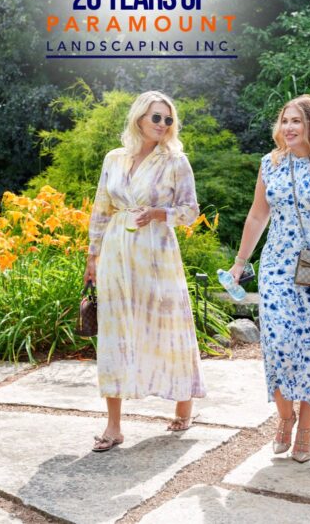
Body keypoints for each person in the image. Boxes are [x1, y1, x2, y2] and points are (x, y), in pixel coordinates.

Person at [228, 94, 310, 463]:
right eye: (284, 120)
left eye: (296, 121)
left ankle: (305, 430)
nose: (287, 128)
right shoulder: (270, 164)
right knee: (278, 344)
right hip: (277, 269)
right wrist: (240, 263)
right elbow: (257, 217)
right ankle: (284, 418)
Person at [85, 90, 206, 452]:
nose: (163, 125)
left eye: (169, 119)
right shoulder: (114, 158)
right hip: (117, 252)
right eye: (157, 117)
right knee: (114, 333)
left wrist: (158, 214)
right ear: (139, 118)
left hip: (157, 253)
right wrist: (92, 258)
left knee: (168, 326)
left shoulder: (175, 161)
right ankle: (113, 426)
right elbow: (101, 208)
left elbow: (190, 211)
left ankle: (184, 406)